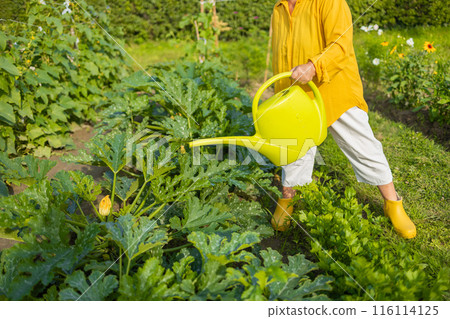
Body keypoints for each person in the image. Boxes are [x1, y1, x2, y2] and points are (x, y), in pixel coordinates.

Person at [269, 0, 416, 238]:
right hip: (297, 94)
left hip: (334, 87)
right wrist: (281, 91)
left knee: (362, 145)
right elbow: (281, 54)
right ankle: (288, 198)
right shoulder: (278, 8)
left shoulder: (329, 2)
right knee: (293, 149)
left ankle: (393, 203)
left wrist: (313, 66)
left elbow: (341, 44)